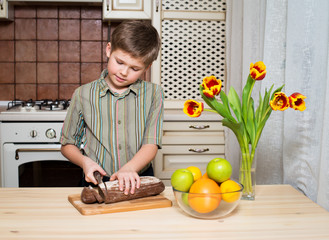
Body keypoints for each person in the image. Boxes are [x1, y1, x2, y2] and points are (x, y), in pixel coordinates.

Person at [60, 20, 163, 195]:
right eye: (120, 62)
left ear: (147, 67)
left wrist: (130, 168)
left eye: (135, 68)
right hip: (97, 182)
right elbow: (67, 144)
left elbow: (151, 143)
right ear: (109, 50)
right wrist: (85, 162)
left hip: (139, 178)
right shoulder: (82, 94)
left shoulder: (154, 93)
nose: (124, 72)